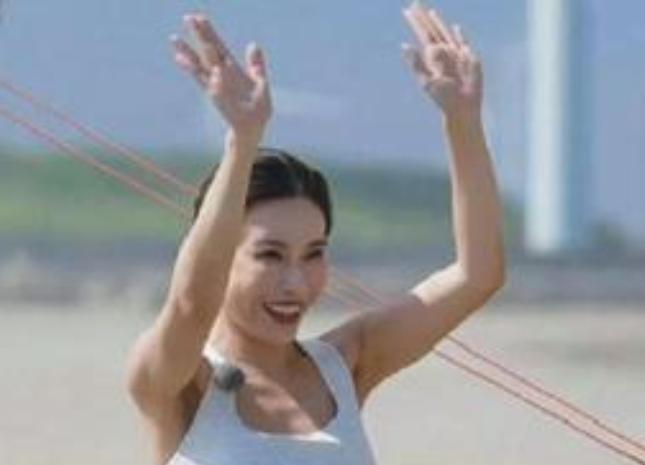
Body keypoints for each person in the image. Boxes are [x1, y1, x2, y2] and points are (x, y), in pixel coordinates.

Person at [125, 2, 506, 464]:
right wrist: (243, 140)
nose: (296, 282)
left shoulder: (347, 362)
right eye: (270, 254)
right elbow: (190, 304)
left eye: (313, 253)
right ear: (222, 255)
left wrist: (463, 119)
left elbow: (478, 275)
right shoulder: (177, 381)